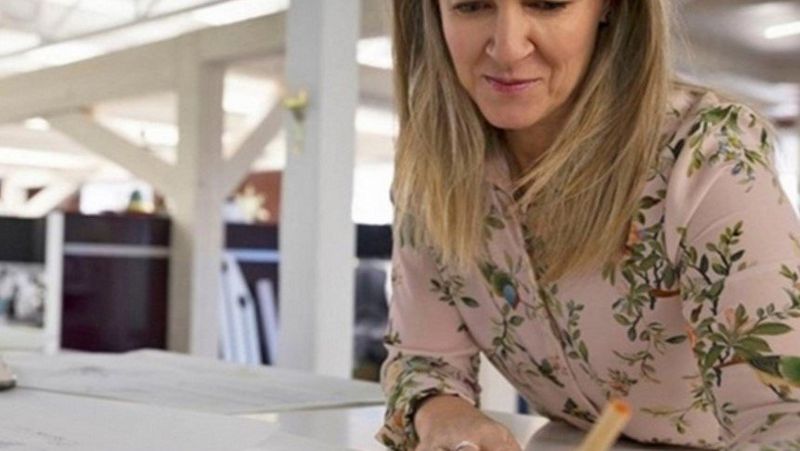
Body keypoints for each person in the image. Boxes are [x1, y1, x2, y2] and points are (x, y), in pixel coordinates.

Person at [377, 1, 800, 450]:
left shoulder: (704, 154)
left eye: (547, 3)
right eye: (472, 4)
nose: (507, 48)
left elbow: (787, 415)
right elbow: (423, 363)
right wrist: (445, 415)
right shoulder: (435, 169)